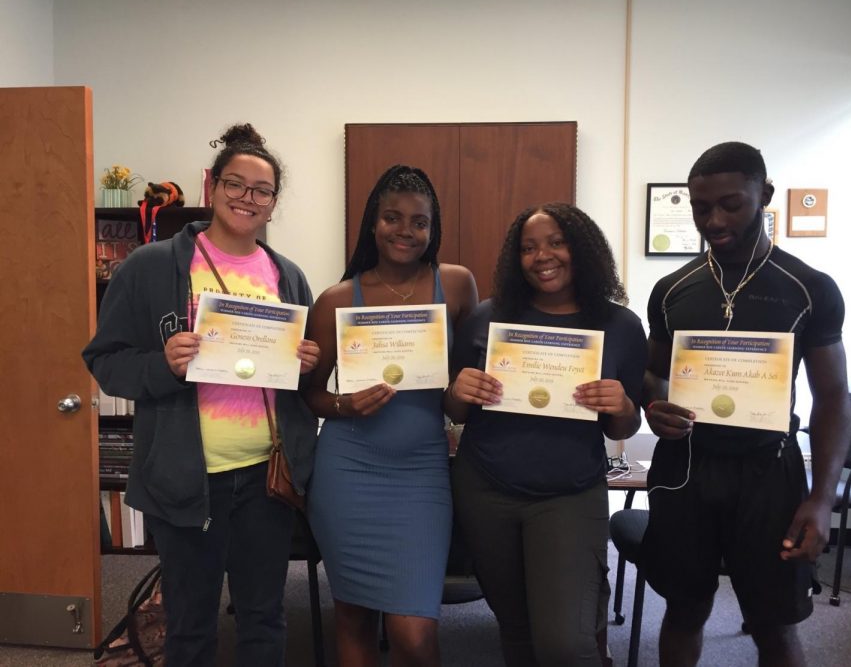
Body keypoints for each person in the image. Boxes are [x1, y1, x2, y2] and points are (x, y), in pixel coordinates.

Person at [83, 123, 321, 667]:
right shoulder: (153, 265)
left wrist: (307, 365)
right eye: (236, 184)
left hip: (266, 477)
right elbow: (105, 360)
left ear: (273, 203)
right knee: (191, 626)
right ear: (213, 186)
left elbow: (296, 383)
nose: (247, 198)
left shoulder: (288, 277)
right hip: (186, 479)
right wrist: (163, 364)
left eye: (261, 191)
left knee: (264, 618)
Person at [640, 141, 851, 667]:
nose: (713, 220)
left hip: (769, 475)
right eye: (700, 207)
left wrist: (822, 499)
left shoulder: (810, 289)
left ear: (765, 195)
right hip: (686, 470)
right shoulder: (671, 290)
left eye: (730, 204)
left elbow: (833, 397)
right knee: (684, 610)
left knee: (772, 623)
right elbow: (652, 373)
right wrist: (653, 403)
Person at [444, 203, 647, 666]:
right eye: (529, 247)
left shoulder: (620, 326)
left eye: (556, 242)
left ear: (582, 249)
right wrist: (459, 391)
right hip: (485, 491)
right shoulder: (487, 317)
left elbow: (625, 425)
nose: (542, 256)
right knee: (515, 627)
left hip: (569, 496)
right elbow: (454, 410)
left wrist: (621, 405)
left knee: (566, 644)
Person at [304, 164, 478, 666]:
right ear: (372, 225)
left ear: (433, 228)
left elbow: (459, 388)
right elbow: (309, 393)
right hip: (348, 470)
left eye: (419, 222)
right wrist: (344, 404)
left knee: (415, 634)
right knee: (353, 617)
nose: (406, 231)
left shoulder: (458, 286)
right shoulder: (337, 300)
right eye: (392, 218)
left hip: (422, 473)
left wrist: (463, 395)